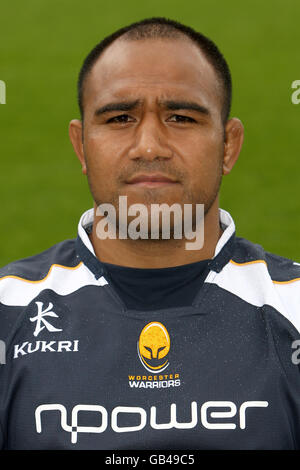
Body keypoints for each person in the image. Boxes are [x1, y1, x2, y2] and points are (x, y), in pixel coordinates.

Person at [0, 16, 300, 450]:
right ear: (81, 145)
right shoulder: (8, 312)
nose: (149, 146)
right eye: (121, 117)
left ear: (228, 146)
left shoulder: (292, 307)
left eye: (181, 117)